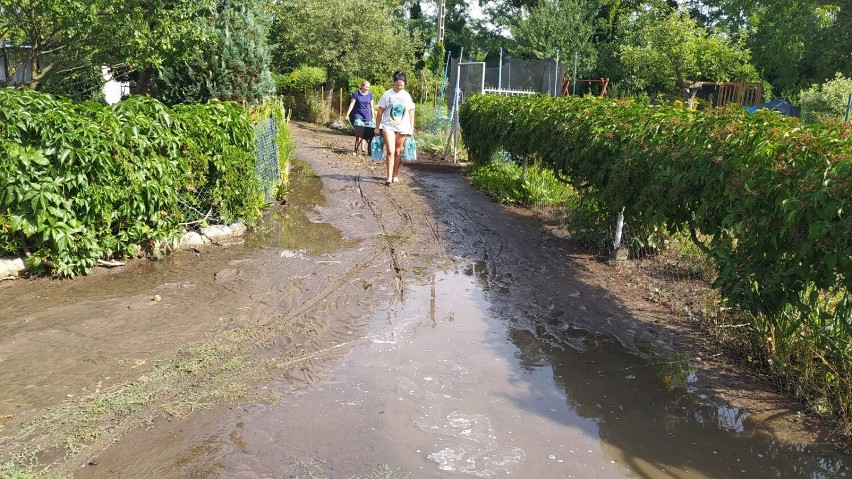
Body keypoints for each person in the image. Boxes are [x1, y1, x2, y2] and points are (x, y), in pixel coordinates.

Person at [374, 72, 415, 185]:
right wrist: (377, 127)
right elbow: (380, 111)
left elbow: (411, 112)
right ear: (394, 83)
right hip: (388, 125)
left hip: (403, 126)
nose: (399, 87)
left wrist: (411, 128)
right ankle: (389, 176)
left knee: (397, 151)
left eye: (401, 85)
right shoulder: (387, 94)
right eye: (397, 85)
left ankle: (395, 175)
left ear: (404, 84)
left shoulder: (406, 96)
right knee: (390, 150)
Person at [345, 81, 375, 154]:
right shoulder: (356, 94)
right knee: (360, 129)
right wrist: (347, 114)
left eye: (368, 87)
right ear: (362, 86)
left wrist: (373, 117)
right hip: (358, 113)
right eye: (366, 87)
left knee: (367, 131)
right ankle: (358, 145)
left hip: (367, 113)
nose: (367, 88)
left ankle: (363, 148)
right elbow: (352, 104)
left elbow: (372, 106)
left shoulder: (370, 95)